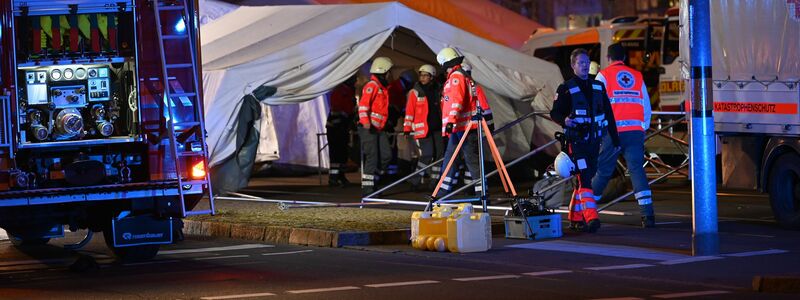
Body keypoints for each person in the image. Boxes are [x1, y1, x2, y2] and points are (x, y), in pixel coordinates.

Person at [550, 48, 620, 233]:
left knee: (584, 179)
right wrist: (564, 120)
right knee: (585, 178)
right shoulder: (565, 88)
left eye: (587, 62)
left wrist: (615, 137)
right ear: (573, 66)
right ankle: (592, 218)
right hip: (576, 142)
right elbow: (554, 113)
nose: (585, 65)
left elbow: (609, 114)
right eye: (580, 63)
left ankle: (575, 218)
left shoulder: (598, 86)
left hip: (594, 143)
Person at [591, 43, 655, 228]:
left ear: (608, 59)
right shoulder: (636, 76)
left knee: (603, 171)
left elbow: (597, 105)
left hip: (612, 132)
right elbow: (646, 106)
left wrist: (598, 129)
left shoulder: (603, 75)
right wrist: (643, 127)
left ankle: (586, 210)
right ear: (625, 58)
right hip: (635, 131)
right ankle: (647, 214)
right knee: (637, 170)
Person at [434, 47, 482, 198]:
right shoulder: (461, 75)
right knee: (451, 158)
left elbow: (456, 101)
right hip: (460, 127)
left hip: (462, 127)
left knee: (470, 160)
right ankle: (442, 191)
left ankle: (481, 193)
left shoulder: (456, 77)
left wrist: (450, 121)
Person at [403, 64, 444, 191]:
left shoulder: (438, 90)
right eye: (421, 75)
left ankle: (434, 181)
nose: (423, 78)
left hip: (438, 127)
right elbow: (409, 111)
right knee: (427, 155)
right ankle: (415, 181)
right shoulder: (415, 92)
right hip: (424, 129)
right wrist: (407, 128)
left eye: (426, 75)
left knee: (439, 155)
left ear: (432, 77)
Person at [357, 57, 393, 195]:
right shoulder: (372, 86)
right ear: (383, 71)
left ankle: (374, 181)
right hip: (369, 128)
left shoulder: (381, 88)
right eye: (389, 72)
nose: (390, 75)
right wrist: (366, 122)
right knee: (372, 157)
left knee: (386, 155)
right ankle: (368, 189)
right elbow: (363, 106)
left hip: (379, 128)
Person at [326, 76, 357, 187]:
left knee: (343, 153)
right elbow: (338, 109)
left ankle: (341, 176)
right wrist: (346, 116)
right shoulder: (340, 91)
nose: (356, 81)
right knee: (336, 154)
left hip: (343, 126)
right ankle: (333, 178)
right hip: (335, 127)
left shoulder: (349, 91)